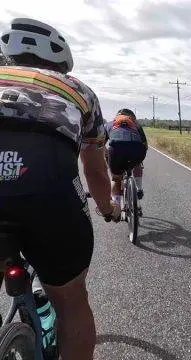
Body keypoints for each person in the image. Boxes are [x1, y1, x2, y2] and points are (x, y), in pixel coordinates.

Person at [0, 18, 119, 360]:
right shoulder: (79, 90)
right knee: (70, 302)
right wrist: (108, 209)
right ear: (62, 62)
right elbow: (95, 169)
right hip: (48, 193)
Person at [104, 108, 147, 212]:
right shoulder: (136, 125)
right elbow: (145, 145)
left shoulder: (110, 124)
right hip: (137, 151)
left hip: (116, 152)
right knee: (138, 164)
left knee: (116, 179)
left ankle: (117, 206)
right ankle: (139, 188)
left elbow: (100, 145)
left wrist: (107, 157)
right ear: (132, 117)